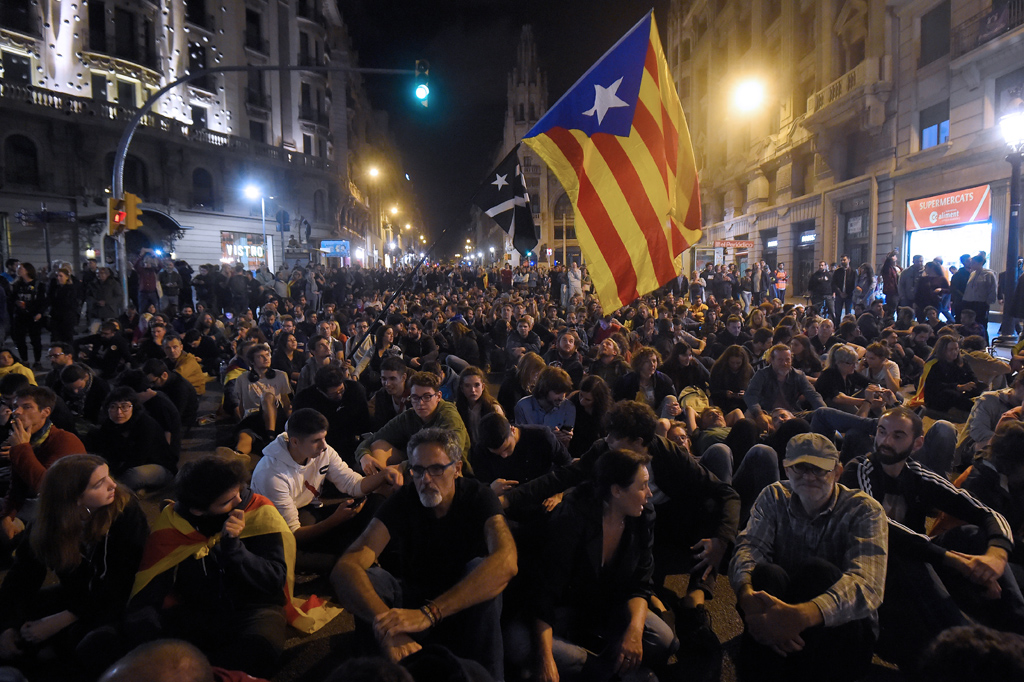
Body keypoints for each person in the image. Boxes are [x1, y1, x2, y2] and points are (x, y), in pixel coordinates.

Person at [503, 401, 740, 642]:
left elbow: (726, 493)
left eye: (614, 437)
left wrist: (721, 539)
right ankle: (651, 600)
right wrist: (506, 500)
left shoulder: (669, 454)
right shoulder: (602, 452)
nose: (607, 440)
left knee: (713, 510)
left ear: (638, 442)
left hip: (670, 528)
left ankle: (694, 600)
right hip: (633, 531)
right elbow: (561, 478)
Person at [840, 407, 1024, 669]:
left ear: (917, 443)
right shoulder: (859, 470)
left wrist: (996, 556)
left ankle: (1018, 627)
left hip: (921, 555)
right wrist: (954, 561)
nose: (886, 441)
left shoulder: (918, 475)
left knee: (972, 534)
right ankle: (968, 650)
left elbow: (988, 514)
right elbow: (879, 527)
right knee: (907, 557)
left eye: (898, 436)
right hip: (872, 566)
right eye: (882, 432)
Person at [332, 428, 518, 679]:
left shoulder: (479, 497)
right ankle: (377, 673)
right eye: (418, 470)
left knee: (482, 572)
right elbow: (347, 565)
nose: (426, 479)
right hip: (411, 603)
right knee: (370, 578)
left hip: (462, 608)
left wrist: (430, 614)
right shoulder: (405, 500)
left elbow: (506, 561)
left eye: (437, 469)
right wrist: (388, 627)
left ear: (458, 468)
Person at [729, 433, 887, 682]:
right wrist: (747, 595)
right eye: (800, 468)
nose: (809, 477)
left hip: (841, 632)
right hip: (781, 620)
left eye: (819, 470)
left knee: (818, 573)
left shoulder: (864, 509)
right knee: (764, 575)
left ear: (837, 472)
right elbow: (749, 547)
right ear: (786, 468)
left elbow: (868, 583)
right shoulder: (773, 495)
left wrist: (803, 615)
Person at [128, 456, 290, 677]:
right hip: (199, 609)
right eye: (227, 502)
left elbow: (273, 580)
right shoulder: (175, 523)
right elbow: (149, 592)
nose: (239, 502)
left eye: (239, 492)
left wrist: (234, 549)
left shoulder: (258, 510)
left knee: (259, 651)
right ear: (197, 510)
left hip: (255, 608)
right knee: (131, 641)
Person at [529, 449, 678, 682]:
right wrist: (545, 658)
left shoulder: (643, 515)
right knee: (520, 644)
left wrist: (635, 633)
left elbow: (640, 583)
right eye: (642, 486)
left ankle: (601, 666)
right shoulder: (573, 516)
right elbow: (546, 594)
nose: (649, 494)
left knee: (663, 640)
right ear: (617, 490)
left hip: (610, 606)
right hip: (567, 609)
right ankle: (611, 670)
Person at [0, 456, 148, 672]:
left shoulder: (125, 512)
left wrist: (61, 619)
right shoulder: (48, 524)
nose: (113, 485)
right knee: (17, 614)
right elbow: (21, 578)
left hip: (119, 600)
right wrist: (7, 628)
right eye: (100, 484)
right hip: (79, 594)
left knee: (90, 643)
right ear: (74, 498)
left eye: (109, 476)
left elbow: (120, 584)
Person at [251, 408, 402, 574]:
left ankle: (361, 554)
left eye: (324, 437)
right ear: (294, 442)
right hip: (273, 528)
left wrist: (384, 475)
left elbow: (352, 484)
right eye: (316, 440)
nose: (324, 446)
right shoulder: (272, 474)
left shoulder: (323, 451)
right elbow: (293, 533)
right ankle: (345, 561)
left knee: (376, 503)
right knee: (321, 552)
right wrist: (335, 520)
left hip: (307, 510)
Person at [1, 386, 87, 553]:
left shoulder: (64, 440)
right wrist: (7, 516)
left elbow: (47, 488)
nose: (16, 412)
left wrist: (21, 449)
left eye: (26, 407)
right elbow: (17, 487)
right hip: (42, 503)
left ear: (45, 412)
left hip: (67, 509)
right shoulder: (27, 440)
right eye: (14, 406)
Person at [356, 372, 471, 475]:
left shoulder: (448, 415)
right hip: (414, 464)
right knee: (378, 446)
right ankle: (381, 495)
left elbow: (448, 453)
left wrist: (403, 467)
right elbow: (371, 440)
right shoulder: (409, 416)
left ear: (438, 396)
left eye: (427, 397)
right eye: (415, 397)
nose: (420, 403)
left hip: (446, 470)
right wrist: (363, 456)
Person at [86, 387, 177, 492]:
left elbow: (139, 457)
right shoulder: (109, 424)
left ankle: (111, 492)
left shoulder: (146, 424)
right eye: (113, 407)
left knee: (133, 475)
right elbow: (106, 451)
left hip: (158, 466)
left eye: (124, 407)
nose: (119, 412)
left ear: (133, 407)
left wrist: (114, 474)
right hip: (128, 464)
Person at [292, 365, 370, 466]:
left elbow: (365, 424)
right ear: (320, 390)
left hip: (351, 441)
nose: (339, 396)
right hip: (321, 447)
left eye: (341, 390)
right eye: (333, 394)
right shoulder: (304, 400)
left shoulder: (355, 390)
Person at [744, 344, 826, 419]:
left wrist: (824, 410)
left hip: (793, 413)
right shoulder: (762, 375)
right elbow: (751, 395)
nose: (784, 363)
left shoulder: (798, 375)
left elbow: (812, 395)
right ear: (772, 360)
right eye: (780, 360)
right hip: (768, 414)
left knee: (820, 415)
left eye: (787, 359)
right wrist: (759, 414)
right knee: (749, 414)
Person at [514, 366, 576, 447]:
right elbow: (520, 442)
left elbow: (565, 448)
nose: (562, 397)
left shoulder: (568, 407)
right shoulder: (523, 406)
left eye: (564, 393)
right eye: (557, 392)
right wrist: (547, 436)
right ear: (545, 389)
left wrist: (566, 438)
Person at [612, 346, 675, 413]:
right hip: (634, 416)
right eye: (647, 361)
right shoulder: (626, 381)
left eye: (654, 361)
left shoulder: (663, 379)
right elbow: (617, 403)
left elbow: (674, 401)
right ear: (639, 363)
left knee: (671, 399)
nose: (652, 364)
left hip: (658, 417)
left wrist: (676, 409)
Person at [143, 358, 200, 432]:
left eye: (153, 382)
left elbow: (175, 416)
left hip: (183, 422)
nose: (151, 386)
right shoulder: (165, 381)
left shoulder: (180, 388)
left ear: (164, 375)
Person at [454, 366, 503, 445]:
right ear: (462, 388)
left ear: (482, 387)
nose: (473, 390)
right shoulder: (458, 408)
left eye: (477, 385)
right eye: (467, 386)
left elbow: (502, 435)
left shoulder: (492, 408)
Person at [11, 263, 46, 369]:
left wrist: (39, 312)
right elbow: (11, 299)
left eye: (20, 268)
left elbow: (42, 301)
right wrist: (16, 303)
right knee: (20, 339)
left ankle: (37, 361)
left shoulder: (38, 284)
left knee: (35, 339)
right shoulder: (17, 285)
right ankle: (25, 360)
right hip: (20, 316)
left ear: (27, 270)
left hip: (33, 315)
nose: (18, 270)